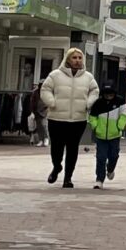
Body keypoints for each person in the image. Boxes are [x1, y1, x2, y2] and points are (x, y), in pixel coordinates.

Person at [41, 47, 101, 188]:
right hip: (56, 118)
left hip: (78, 120)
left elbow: (95, 90)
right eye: (74, 58)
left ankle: (68, 178)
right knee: (56, 148)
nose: (77, 61)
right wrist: (51, 102)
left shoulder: (88, 77)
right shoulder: (55, 75)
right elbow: (45, 89)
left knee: (72, 149)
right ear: (67, 59)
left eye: (80, 58)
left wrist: (89, 103)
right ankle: (57, 167)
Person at [88, 72, 126, 189]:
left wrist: (119, 127)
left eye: (110, 94)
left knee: (114, 155)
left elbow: (124, 115)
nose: (108, 96)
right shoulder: (98, 103)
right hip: (101, 136)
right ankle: (99, 179)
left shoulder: (120, 101)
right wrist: (95, 126)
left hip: (114, 135)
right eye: (106, 94)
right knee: (100, 157)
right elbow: (92, 116)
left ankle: (110, 169)